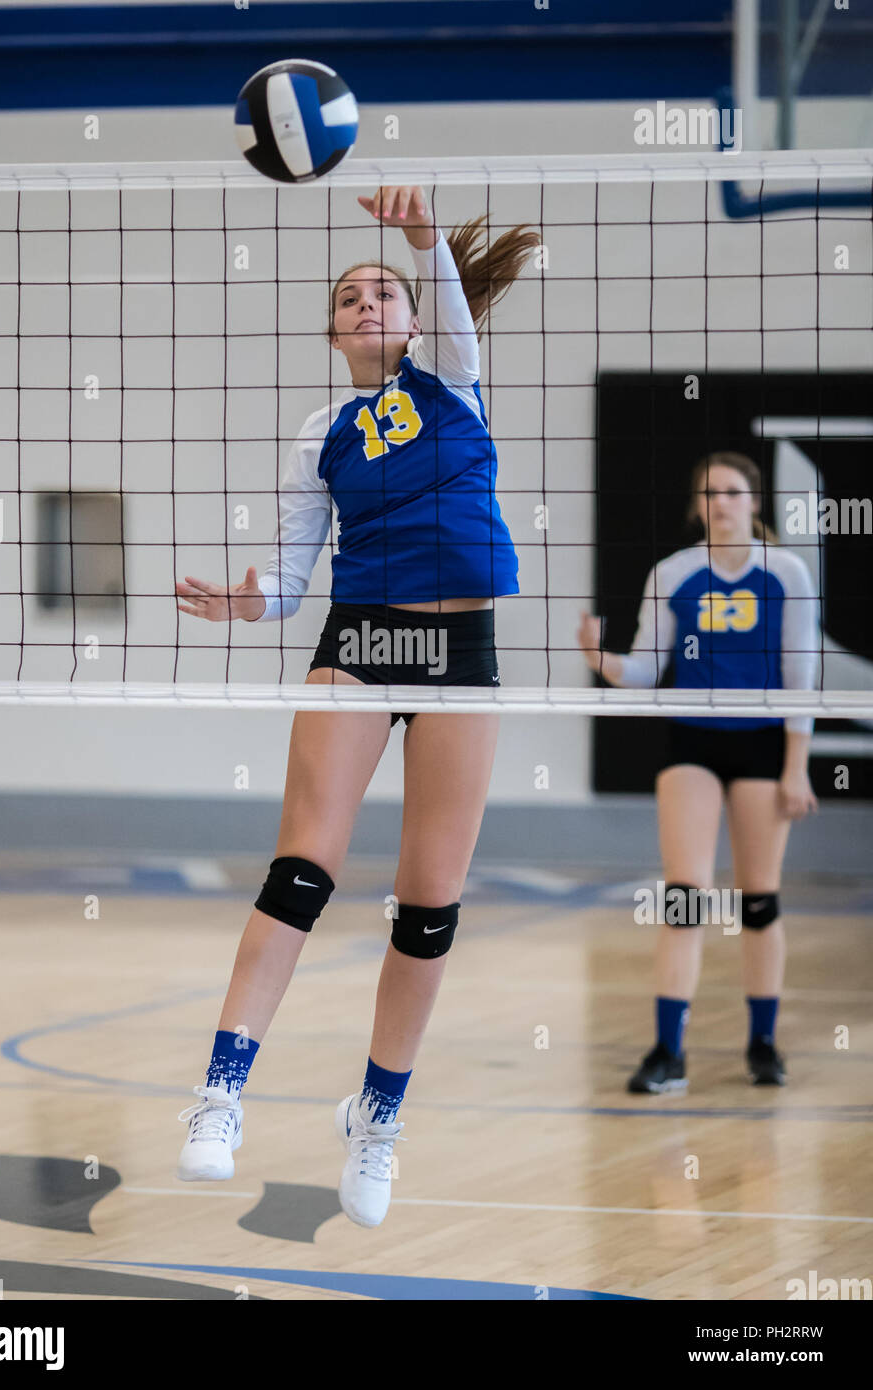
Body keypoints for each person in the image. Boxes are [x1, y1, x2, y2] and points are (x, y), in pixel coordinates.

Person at [174, 185, 538, 1225]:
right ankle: (221, 1092)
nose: (370, 303)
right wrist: (245, 602)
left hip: (460, 649)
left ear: (418, 318)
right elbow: (288, 584)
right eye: (350, 298)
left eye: (386, 292)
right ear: (335, 331)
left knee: (429, 906)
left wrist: (423, 241)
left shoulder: (457, 385)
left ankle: (377, 1117)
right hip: (366, 639)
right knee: (304, 867)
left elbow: (449, 300)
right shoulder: (321, 431)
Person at [577, 452, 819, 1093]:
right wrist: (601, 657)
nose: (721, 503)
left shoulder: (787, 573)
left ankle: (763, 1045)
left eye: (733, 492)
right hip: (693, 741)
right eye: (709, 493)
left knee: (759, 901)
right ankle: (667, 1052)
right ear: (697, 505)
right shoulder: (674, 573)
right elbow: (646, 669)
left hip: (765, 743)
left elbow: (802, 676)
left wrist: (797, 767)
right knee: (684, 896)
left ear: (755, 502)